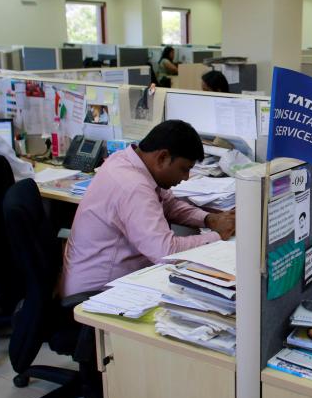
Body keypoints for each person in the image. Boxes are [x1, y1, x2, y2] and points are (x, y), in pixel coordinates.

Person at [62, 120, 235, 296]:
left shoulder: (126, 160)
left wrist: (208, 219)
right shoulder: (133, 186)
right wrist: (218, 235)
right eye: (184, 169)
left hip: (111, 278)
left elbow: (170, 205)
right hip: (98, 294)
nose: (186, 177)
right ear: (162, 158)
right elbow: (166, 252)